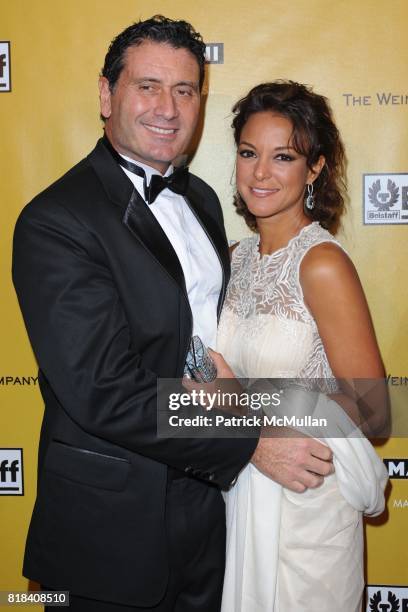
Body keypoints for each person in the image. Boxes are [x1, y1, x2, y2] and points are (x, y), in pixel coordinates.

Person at [12, 20, 334, 612]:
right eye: (148, 86)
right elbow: (104, 390)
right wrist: (246, 440)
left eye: (185, 90)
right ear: (107, 95)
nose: (168, 107)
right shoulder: (57, 220)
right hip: (110, 533)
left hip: (213, 517)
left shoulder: (204, 200)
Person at [215, 81, 389, 611]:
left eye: (282, 156)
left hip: (308, 512)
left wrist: (250, 405)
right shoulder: (232, 258)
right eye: (249, 153)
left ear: (314, 169)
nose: (260, 173)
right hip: (245, 491)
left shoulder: (321, 264)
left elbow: (376, 412)